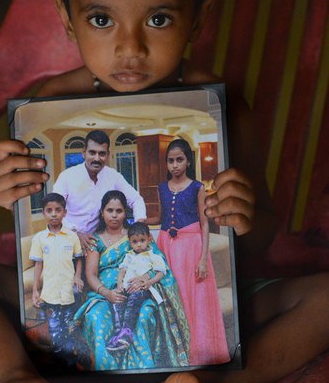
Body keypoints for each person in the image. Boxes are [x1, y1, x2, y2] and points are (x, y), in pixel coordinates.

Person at [0, 0, 328, 383]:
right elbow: (34, 226)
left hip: (200, 299)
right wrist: (10, 191)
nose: (130, 49)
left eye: (157, 19)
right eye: (102, 19)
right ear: (66, 15)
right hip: (72, 292)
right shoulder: (43, 110)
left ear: (197, 17)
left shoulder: (222, 107)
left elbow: (260, 240)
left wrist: (244, 215)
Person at [71, 191, 189, 370]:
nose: (114, 215)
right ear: (102, 212)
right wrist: (107, 293)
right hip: (105, 295)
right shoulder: (95, 240)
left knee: (143, 317)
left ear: (125, 213)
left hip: (138, 291)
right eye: (109, 210)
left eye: (119, 210)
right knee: (97, 318)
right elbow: (91, 275)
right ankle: (109, 376)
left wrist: (146, 279)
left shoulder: (136, 235)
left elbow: (160, 263)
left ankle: (143, 372)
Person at [146, 139, 230, 366]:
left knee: (194, 299)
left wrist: (203, 259)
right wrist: (142, 221)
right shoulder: (161, 188)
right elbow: (160, 218)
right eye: (171, 161)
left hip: (191, 249)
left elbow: (204, 223)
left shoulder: (197, 188)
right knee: (172, 296)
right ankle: (175, 350)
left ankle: (198, 352)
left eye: (179, 160)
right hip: (167, 247)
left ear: (188, 161)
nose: (175, 165)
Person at [52, 130, 147, 251]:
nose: (97, 158)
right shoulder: (67, 177)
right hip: (66, 240)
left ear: (107, 155)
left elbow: (136, 199)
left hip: (95, 245)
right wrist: (75, 233)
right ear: (83, 153)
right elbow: (54, 209)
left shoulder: (113, 176)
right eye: (92, 152)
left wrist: (139, 224)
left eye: (102, 154)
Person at [29, 193, 84, 363]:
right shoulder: (39, 238)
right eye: (49, 210)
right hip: (50, 293)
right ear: (44, 213)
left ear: (64, 213)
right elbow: (38, 265)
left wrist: (77, 277)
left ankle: (72, 356)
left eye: (58, 210)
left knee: (69, 326)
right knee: (54, 328)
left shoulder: (72, 236)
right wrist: (35, 290)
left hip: (69, 292)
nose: (54, 214)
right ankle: (61, 358)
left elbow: (79, 259)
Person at [106, 221, 167, 352]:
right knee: (117, 302)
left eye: (142, 240)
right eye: (135, 242)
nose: (139, 244)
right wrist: (119, 284)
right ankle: (118, 333)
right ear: (130, 242)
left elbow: (161, 273)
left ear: (149, 239)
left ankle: (127, 332)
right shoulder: (129, 256)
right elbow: (121, 271)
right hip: (127, 288)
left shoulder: (153, 256)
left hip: (142, 289)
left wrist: (149, 282)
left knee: (134, 300)